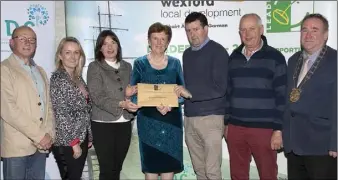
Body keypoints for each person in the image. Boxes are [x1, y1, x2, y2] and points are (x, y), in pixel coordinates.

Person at [224, 13, 286, 180]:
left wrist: (278, 129)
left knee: (268, 174)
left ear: (261, 30)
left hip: (264, 129)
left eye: (252, 28)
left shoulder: (275, 57)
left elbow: (282, 96)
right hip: (236, 127)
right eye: (243, 30)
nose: (247, 33)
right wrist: (226, 123)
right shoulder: (233, 58)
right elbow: (228, 93)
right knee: (238, 174)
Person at [130, 22, 190, 180]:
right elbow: (133, 95)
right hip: (148, 123)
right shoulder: (139, 64)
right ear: (148, 41)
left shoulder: (175, 63)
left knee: (168, 167)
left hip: (171, 122)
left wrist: (171, 103)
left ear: (168, 42)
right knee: (150, 168)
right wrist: (151, 101)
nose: (158, 42)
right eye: (155, 38)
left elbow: (182, 93)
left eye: (162, 39)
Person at [283, 13, 337, 180]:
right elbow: (288, 99)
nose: (308, 35)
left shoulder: (335, 60)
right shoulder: (293, 60)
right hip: (294, 144)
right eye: (304, 30)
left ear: (326, 35)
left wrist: (335, 142)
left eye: (315, 30)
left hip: (321, 145)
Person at [1, 26, 55, 179]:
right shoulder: (4, 69)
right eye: (22, 38)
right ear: (12, 42)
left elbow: (49, 107)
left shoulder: (40, 71)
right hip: (17, 148)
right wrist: (40, 136)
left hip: (41, 147)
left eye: (32, 40)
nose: (28, 42)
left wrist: (49, 134)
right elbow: (8, 110)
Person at [182, 12, 229, 180]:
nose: (192, 34)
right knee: (199, 171)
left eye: (196, 29)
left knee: (212, 172)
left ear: (206, 29)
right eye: (188, 30)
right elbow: (185, 86)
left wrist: (190, 94)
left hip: (212, 118)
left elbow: (220, 88)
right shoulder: (186, 54)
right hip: (189, 118)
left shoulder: (218, 52)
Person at [87, 30, 138, 180]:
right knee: (107, 170)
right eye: (105, 44)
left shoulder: (127, 66)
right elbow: (96, 96)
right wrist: (121, 103)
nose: (109, 47)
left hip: (124, 123)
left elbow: (133, 91)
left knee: (117, 168)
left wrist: (131, 96)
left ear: (118, 45)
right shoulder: (94, 67)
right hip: (102, 124)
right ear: (100, 48)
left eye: (113, 42)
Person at [50, 37, 93, 180]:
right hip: (68, 142)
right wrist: (74, 142)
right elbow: (61, 113)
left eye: (76, 52)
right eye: (68, 52)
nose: (73, 56)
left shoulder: (77, 77)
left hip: (82, 137)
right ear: (60, 56)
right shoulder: (58, 79)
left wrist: (89, 136)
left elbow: (85, 109)